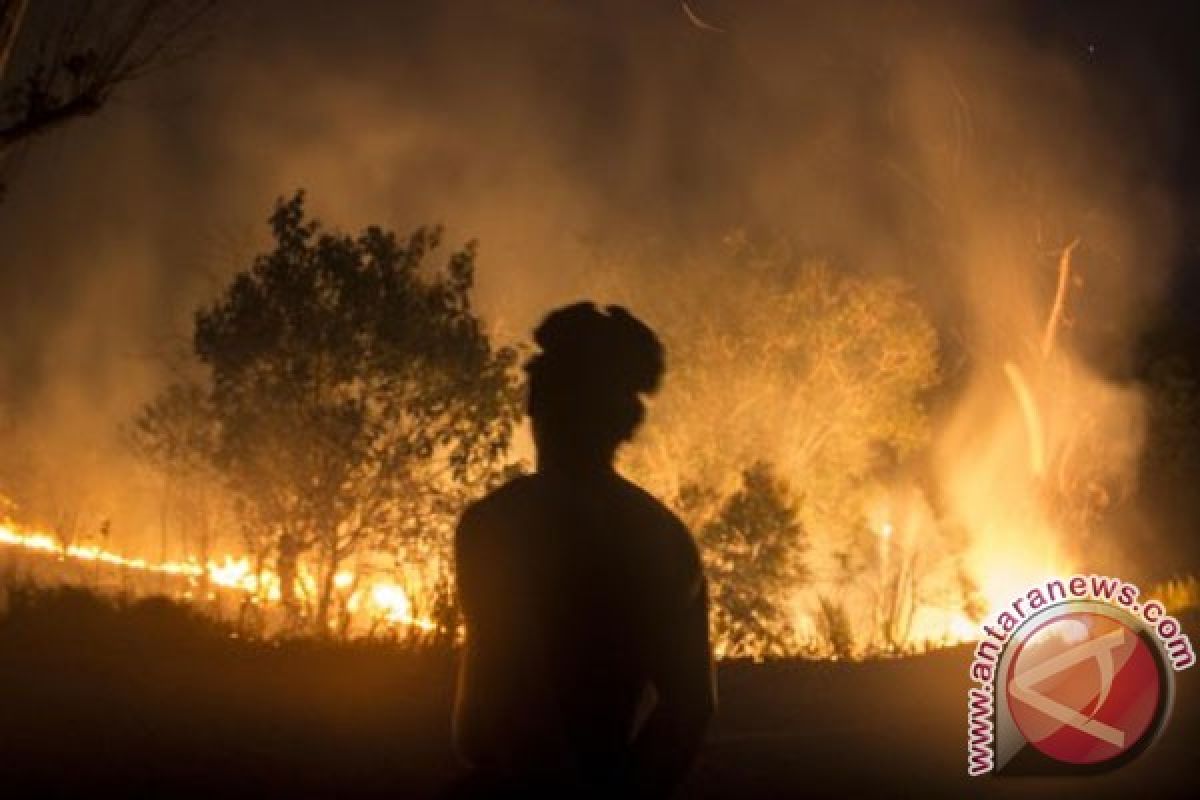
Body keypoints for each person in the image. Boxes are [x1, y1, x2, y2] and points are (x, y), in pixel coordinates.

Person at [450, 302, 715, 798]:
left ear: (539, 403)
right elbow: (691, 706)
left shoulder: (498, 525)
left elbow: (514, 687)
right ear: (625, 421)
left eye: (543, 387)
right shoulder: (662, 537)